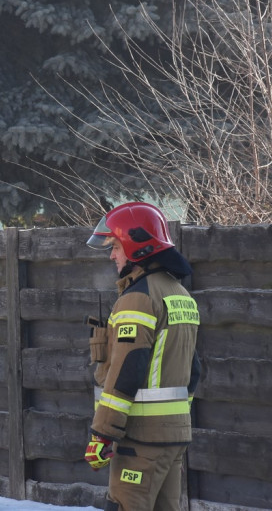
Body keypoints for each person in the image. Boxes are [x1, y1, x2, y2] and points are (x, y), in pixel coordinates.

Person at [83, 202, 202, 511]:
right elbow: (195, 370)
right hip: (172, 439)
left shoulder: (137, 298)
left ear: (136, 247)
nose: (112, 255)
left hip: (141, 442)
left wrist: (102, 434)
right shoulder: (181, 296)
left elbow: (127, 370)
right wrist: (173, 422)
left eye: (116, 246)